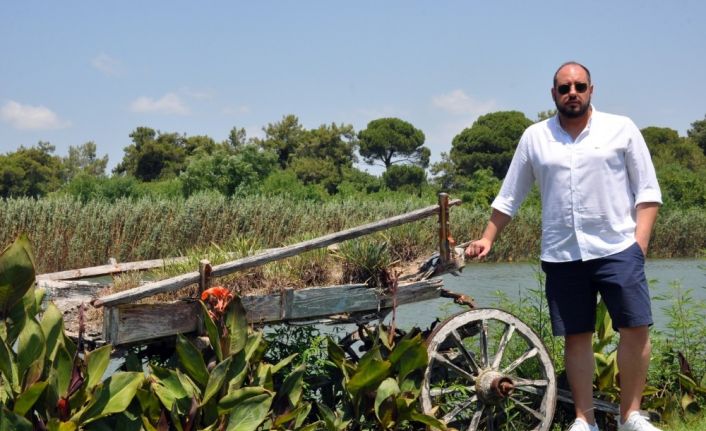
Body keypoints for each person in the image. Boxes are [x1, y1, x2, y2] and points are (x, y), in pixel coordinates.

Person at [465, 61, 662, 431]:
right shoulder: (535, 137)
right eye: (564, 87)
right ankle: (584, 420)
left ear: (591, 90)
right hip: (563, 254)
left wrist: (639, 248)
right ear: (553, 94)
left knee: (636, 329)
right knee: (577, 336)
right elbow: (510, 195)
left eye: (580, 86)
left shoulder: (622, 129)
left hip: (619, 248)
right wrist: (487, 237)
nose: (573, 93)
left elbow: (648, 193)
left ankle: (630, 416)